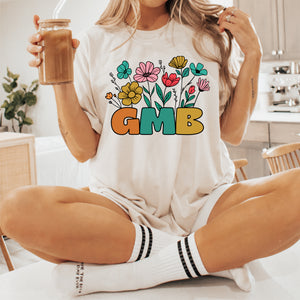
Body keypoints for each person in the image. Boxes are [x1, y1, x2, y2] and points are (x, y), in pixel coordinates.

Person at [0, 0, 299, 296]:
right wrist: (60, 78)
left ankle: (143, 271)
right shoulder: (95, 41)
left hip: (208, 203)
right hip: (123, 212)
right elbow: (82, 149)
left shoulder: (209, 34)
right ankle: (208, 254)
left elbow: (232, 132)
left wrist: (254, 54)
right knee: (14, 210)